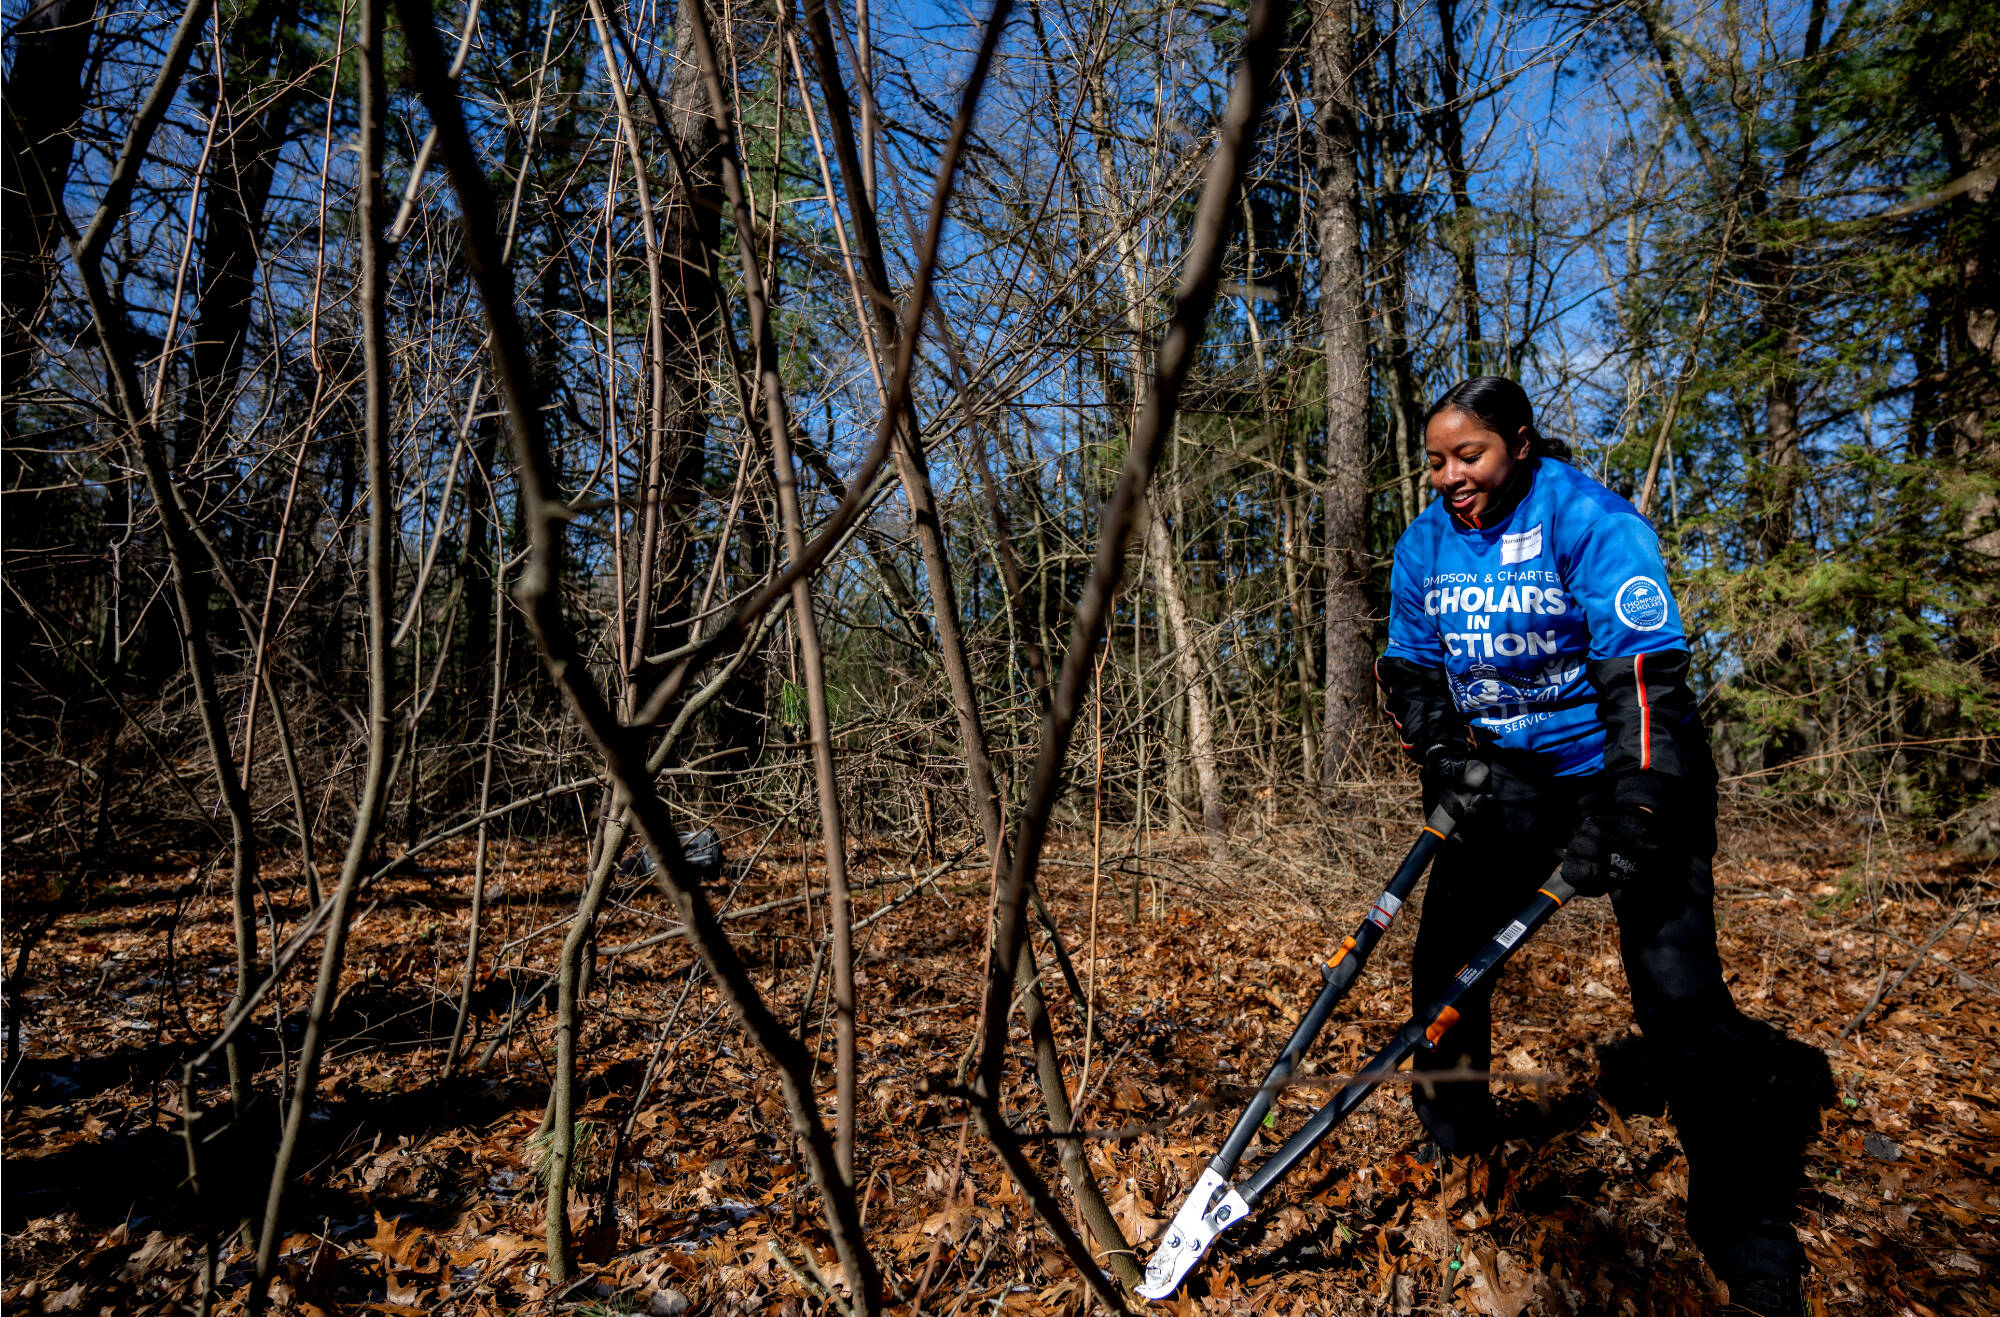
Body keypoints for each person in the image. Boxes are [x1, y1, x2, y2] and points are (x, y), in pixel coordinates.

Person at [1375, 377, 1814, 1316]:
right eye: (1439, 461)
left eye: (1472, 456)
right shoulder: (1427, 544)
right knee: (1447, 965)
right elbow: (1408, 663)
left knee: (1678, 994)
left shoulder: (1592, 520)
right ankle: (1457, 1148)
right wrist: (1443, 751)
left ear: (1520, 443)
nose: (1454, 476)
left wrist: (1639, 804)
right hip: (1511, 777)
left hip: (1629, 769)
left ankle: (1746, 1226)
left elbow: (1646, 672)